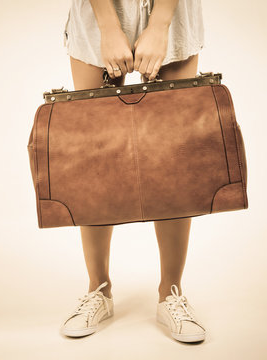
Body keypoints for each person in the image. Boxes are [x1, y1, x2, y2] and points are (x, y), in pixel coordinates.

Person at [60, 0, 207, 343]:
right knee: (96, 159)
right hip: (99, 14)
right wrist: (109, 28)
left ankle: (171, 292)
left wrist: (160, 25)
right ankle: (99, 288)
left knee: (172, 158)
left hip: (174, 14)